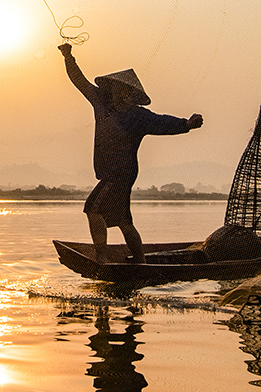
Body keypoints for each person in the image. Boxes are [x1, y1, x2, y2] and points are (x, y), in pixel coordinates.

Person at [60, 42, 202, 264]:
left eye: (121, 90)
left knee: (93, 208)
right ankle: (140, 262)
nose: (116, 93)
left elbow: (163, 122)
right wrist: (68, 56)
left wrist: (187, 124)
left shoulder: (138, 117)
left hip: (121, 173)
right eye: (115, 89)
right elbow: (80, 81)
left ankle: (101, 257)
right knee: (124, 220)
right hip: (111, 173)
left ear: (129, 94)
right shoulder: (101, 102)